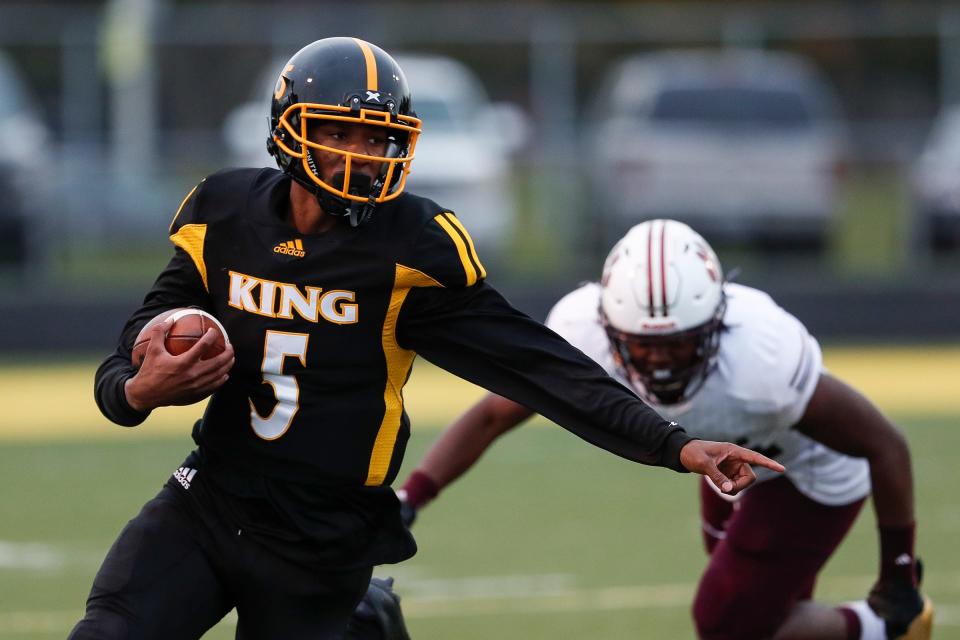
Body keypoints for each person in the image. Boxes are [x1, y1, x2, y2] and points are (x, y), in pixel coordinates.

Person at [69, 39, 782, 640]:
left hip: (325, 533)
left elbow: (537, 367)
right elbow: (135, 341)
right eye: (338, 132)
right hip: (212, 496)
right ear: (289, 128)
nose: (361, 154)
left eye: (377, 137)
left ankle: (363, 615)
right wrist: (135, 391)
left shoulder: (411, 248)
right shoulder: (223, 213)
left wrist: (672, 444)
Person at [397, 219, 934, 640]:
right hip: (721, 466)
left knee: (726, 621)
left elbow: (882, 443)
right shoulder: (581, 331)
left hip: (802, 471)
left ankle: (881, 629)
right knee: (762, 613)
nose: (658, 362)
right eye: (641, 343)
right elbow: (495, 413)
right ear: (608, 326)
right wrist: (412, 496)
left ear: (715, 324)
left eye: (676, 342)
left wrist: (898, 576)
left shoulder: (761, 362)